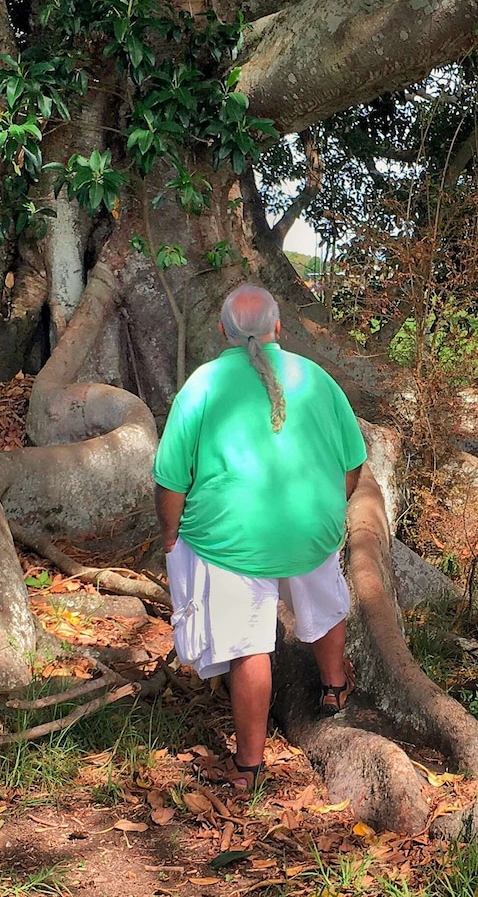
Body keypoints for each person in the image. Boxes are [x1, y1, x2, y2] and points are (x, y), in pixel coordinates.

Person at [153, 284, 366, 791]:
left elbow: (170, 481)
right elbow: (353, 463)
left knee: (250, 646)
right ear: (278, 329)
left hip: (229, 540)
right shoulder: (315, 378)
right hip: (309, 528)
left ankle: (248, 767)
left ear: (223, 331)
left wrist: (168, 537)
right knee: (323, 598)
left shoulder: (202, 384)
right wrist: (328, 509)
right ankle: (334, 688)